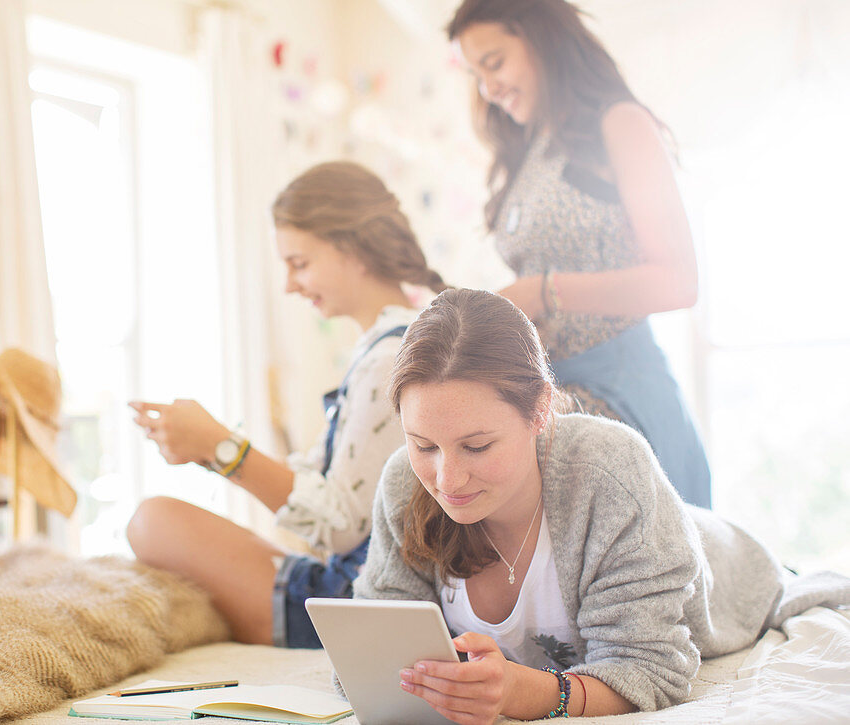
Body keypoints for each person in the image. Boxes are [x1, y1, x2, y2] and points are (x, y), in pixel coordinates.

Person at [354, 288, 850, 722]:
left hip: (728, 564)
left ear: (540, 410)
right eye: (424, 445)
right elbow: (370, 654)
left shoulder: (610, 472)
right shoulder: (403, 484)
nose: (447, 478)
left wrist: (521, 691)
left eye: (477, 446)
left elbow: (650, 670)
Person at [126, 161, 449, 648]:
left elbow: (339, 526)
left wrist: (223, 448)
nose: (289, 285)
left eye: (299, 263)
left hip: (357, 602)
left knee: (153, 521)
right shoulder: (386, 347)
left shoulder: (389, 361)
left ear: (354, 249)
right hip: (357, 582)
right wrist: (212, 449)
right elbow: (324, 490)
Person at [447, 0, 711, 507]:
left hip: (620, 395)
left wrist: (542, 293)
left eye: (495, 63)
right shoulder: (531, 151)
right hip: (553, 394)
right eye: (478, 74)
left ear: (542, 40)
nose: (489, 87)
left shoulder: (620, 124)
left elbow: (679, 281)